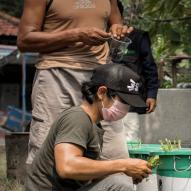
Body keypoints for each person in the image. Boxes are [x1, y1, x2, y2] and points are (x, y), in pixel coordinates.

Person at [12, 64, 152, 191]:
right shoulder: (77, 118)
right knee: (120, 183)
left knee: (118, 180)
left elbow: (94, 179)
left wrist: (123, 171)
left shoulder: (93, 125)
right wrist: (122, 165)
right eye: (123, 101)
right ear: (102, 93)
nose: (125, 109)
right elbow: (67, 166)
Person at [17, 0, 132, 164]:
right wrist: (76, 35)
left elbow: (116, 23)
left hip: (101, 78)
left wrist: (117, 30)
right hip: (57, 75)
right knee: (47, 153)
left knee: (116, 156)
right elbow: (24, 40)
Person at [115, 1, 159, 142]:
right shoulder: (96, 38)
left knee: (131, 140)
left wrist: (152, 94)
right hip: (104, 101)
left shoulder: (138, 37)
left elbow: (149, 67)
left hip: (130, 99)